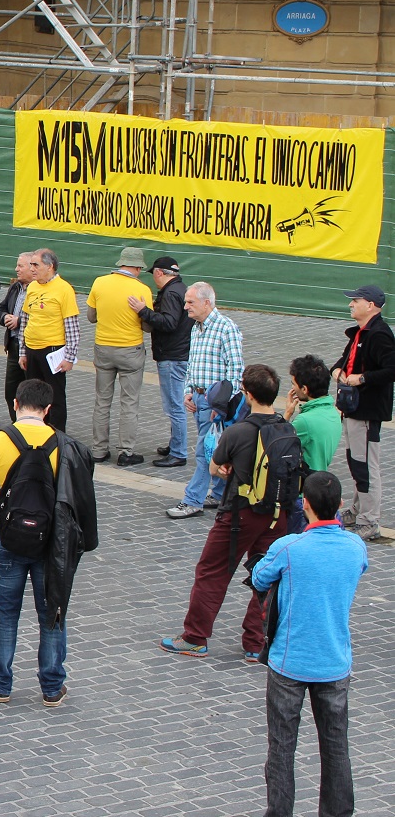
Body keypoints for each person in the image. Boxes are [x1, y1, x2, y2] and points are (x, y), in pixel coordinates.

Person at [0, 378, 95, 706]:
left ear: (15, 403)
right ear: (47, 409)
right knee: (52, 613)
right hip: (51, 544)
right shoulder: (64, 444)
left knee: (6, 613)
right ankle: (52, 687)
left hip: (9, 540)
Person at [251, 471, 367, 817]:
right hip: (334, 660)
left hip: (290, 661)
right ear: (340, 504)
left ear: (305, 504)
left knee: (282, 747)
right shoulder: (355, 547)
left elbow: (259, 577)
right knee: (336, 746)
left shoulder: (289, 548)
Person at [160, 364, 294, 661]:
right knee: (266, 576)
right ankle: (256, 642)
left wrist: (226, 467)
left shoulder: (238, 431)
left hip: (240, 513)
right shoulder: (286, 426)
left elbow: (213, 468)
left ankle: (195, 637)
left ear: (247, 394)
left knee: (213, 571)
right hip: (277, 514)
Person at [166, 282, 244, 519]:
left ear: (207, 302)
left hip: (215, 403)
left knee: (203, 452)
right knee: (213, 449)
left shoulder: (226, 329)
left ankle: (193, 500)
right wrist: (188, 391)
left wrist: (221, 405)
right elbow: (192, 364)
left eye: (190, 302)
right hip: (199, 399)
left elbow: (236, 371)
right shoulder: (196, 328)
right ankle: (219, 494)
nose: (185, 307)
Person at [331, 283, 392, 542]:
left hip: (367, 412)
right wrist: (337, 371)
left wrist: (362, 378)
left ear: (370, 305)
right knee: (357, 463)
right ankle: (357, 512)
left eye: (355, 300)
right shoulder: (361, 333)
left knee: (366, 466)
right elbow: (343, 362)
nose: (350, 304)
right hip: (354, 409)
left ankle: (370, 521)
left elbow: (391, 369)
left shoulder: (379, 335)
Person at [85, 247, 153, 465]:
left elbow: (91, 317)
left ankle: (98, 450)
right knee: (129, 402)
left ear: (120, 263)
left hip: (103, 348)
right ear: (138, 267)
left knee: (102, 401)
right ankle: (125, 452)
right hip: (130, 350)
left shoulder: (99, 283)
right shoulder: (142, 289)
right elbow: (147, 326)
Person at [132, 255, 191, 469]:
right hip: (179, 353)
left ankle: (178, 452)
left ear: (159, 273)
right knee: (175, 404)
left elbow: (169, 323)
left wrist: (144, 311)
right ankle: (175, 444)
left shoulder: (171, 293)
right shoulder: (180, 289)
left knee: (174, 406)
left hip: (172, 356)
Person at [17, 248, 79, 431]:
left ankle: (56, 433)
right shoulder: (33, 287)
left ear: (49, 266)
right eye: (31, 265)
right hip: (32, 349)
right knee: (32, 394)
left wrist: (69, 357)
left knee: (55, 395)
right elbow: (25, 320)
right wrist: (22, 352)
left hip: (52, 351)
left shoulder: (64, 289)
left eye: (36, 265)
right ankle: (35, 429)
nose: (32, 269)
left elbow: (72, 326)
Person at [285, 355, 340, 532]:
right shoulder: (332, 412)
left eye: (294, 384)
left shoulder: (305, 421)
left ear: (305, 389)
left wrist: (287, 414)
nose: (292, 388)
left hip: (302, 496)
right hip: (320, 485)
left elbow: (279, 445)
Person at [0, 252, 33, 423]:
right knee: (11, 391)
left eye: (20, 266)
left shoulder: (39, 290)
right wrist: (5, 317)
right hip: (13, 345)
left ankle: (32, 424)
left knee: (30, 391)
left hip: (31, 348)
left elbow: (44, 318)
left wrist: (20, 321)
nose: (16, 269)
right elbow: (2, 308)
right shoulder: (15, 287)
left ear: (32, 268)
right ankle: (17, 423)